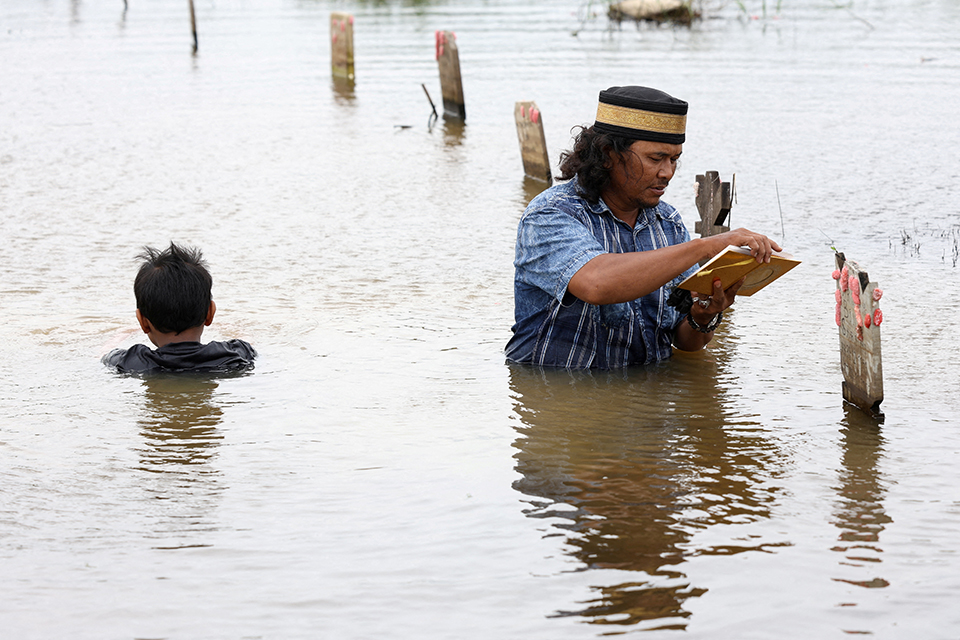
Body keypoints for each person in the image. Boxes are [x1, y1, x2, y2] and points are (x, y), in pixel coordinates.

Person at [505, 85, 782, 369]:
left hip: (647, 398)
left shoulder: (667, 223)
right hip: (561, 397)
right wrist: (705, 245)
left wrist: (703, 316)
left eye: (674, 159)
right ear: (608, 154)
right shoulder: (550, 214)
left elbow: (684, 341)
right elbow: (596, 283)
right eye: (655, 158)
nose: (668, 173)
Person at [102, 242, 256, 373]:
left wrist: (122, 334)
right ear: (210, 313)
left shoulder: (131, 362)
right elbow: (250, 343)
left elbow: (102, 354)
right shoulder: (234, 355)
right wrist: (231, 327)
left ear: (143, 322)